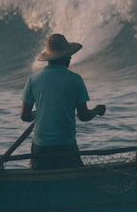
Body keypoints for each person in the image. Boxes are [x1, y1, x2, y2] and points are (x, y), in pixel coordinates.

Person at [20, 33, 106, 170]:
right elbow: (84, 116)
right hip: (66, 146)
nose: (71, 57)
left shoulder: (33, 80)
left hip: (40, 147)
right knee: (76, 179)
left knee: (40, 183)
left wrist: (37, 114)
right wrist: (97, 110)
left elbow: (24, 116)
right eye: (69, 54)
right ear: (65, 57)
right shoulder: (75, 79)